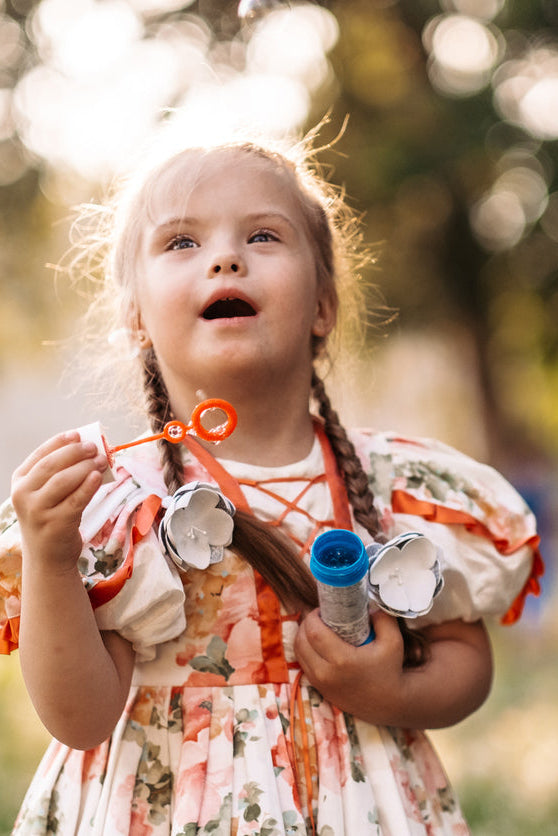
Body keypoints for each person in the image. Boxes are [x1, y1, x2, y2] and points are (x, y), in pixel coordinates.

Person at [0, 131, 543, 836]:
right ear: (136, 315)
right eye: (180, 243)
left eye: (262, 235)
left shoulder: (399, 484)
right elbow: (79, 718)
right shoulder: (115, 503)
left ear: (323, 304)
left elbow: (466, 662)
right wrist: (49, 555)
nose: (226, 257)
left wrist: (396, 689)